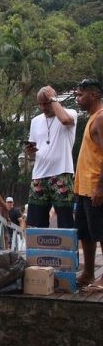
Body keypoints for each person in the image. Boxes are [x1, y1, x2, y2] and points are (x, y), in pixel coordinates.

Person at [25, 85, 77, 228]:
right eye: (40, 104)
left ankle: (66, 249)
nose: (43, 107)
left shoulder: (70, 113)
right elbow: (33, 152)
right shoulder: (35, 121)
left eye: (46, 103)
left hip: (61, 173)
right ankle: (40, 250)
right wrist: (30, 153)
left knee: (65, 220)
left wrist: (52, 98)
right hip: (39, 175)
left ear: (54, 100)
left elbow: (66, 121)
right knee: (36, 222)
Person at [72, 78, 103, 288]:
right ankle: (88, 273)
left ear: (92, 94)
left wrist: (101, 187)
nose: (77, 99)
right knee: (86, 233)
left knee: (101, 232)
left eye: (80, 95)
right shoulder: (92, 118)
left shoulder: (101, 118)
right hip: (83, 188)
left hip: (95, 186)